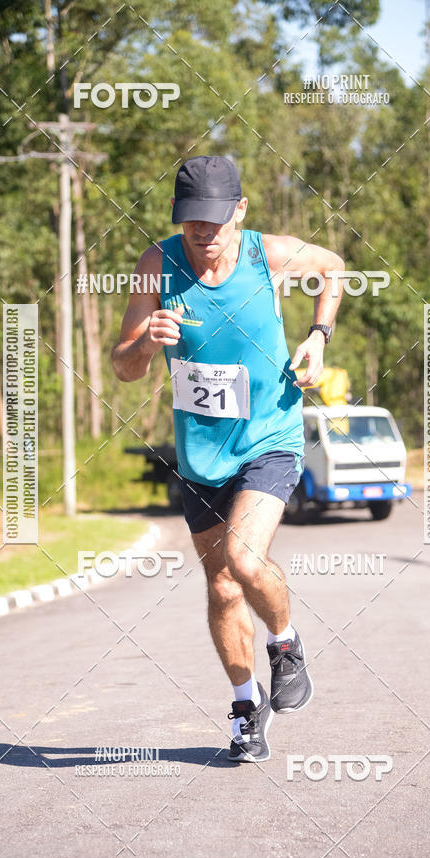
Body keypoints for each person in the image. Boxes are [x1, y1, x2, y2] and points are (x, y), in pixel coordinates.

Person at [112, 155, 343, 762]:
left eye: (215, 220)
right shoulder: (157, 264)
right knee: (219, 586)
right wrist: (145, 342)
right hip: (199, 454)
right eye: (193, 221)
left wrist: (319, 337)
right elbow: (123, 366)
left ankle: (286, 645)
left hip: (270, 434)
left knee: (243, 559)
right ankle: (246, 711)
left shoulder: (270, 255)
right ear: (177, 218)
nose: (204, 233)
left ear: (239, 210)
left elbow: (334, 268)